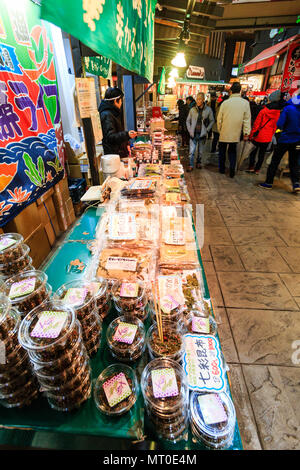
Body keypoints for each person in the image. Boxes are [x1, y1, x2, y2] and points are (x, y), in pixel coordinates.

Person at [259, 94, 300, 193]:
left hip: (285, 139)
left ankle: (268, 183)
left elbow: (280, 123)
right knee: (294, 163)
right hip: (297, 140)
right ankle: (296, 184)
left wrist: (281, 131)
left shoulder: (288, 108)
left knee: (275, 161)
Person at [217, 82, 251, 178]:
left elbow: (219, 119)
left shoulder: (225, 103)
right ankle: (232, 170)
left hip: (224, 131)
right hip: (236, 133)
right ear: (240, 90)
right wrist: (246, 133)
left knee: (222, 151)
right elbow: (247, 119)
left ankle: (222, 169)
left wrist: (220, 130)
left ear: (231, 91)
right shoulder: (245, 103)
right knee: (232, 152)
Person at [245, 90, 282, 175]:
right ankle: (257, 169)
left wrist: (251, 135)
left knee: (253, 152)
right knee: (262, 154)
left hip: (258, 136)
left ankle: (251, 167)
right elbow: (275, 126)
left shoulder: (263, 111)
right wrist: (271, 134)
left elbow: (256, 125)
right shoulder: (278, 113)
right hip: (267, 137)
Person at [98, 87, 137, 158]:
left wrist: (126, 141)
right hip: (113, 156)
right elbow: (110, 137)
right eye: (121, 101)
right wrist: (127, 135)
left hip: (118, 152)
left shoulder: (113, 112)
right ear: (116, 100)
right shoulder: (107, 114)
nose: (121, 103)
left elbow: (117, 131)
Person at [186, 92, 214, 171]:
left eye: (200, 99)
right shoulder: (192, 110)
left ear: (203, 100)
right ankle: (191, 165)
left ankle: (198, 163)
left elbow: (212, 121)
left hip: (202, 134)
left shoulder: (208, 110)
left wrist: (207, 130)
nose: (198, 101)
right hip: (193, 134)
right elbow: (187, 121)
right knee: (191, 151)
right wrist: (189, 130)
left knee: (200, 152)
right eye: (197, 99)